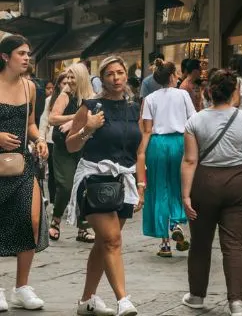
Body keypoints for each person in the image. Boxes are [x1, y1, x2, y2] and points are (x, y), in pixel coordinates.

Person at [65, 56, 143, 316]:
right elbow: (71, 145)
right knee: (112, 240)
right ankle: (124, 300)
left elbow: (139, 150)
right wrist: (88, 128)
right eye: (110, 73)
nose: (116, 78)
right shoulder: (91, 106)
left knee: (104, 242)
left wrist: (141, 184)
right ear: (102, 78)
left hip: (124, 180)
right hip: (95, 178)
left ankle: (87, 301)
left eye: (120, 72)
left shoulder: (134, 107)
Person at [180, 69, 242, 316]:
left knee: (201, 243)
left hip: (205, 183)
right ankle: (236, 303)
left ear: (209, 92)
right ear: (235, 91)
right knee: (235, 244)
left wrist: (185, 195)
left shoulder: (195, 121)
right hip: (238, 182)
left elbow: (190, 161)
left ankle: (196, 296)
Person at [0, 34, 48, 311]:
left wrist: (39, 139)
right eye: (21, 53)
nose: (27, 57)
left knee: (30, 220)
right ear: (5, 57)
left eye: (28, 53)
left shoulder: (30, 87)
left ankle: (22, 287)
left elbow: (30, 124)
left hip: (21, 164)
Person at [138, 59, 195, 258]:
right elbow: (192, 121)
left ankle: (164, 244)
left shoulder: (151, 98)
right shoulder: (183, 95)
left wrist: (141, 153)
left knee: (159, 188)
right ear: (172, 76)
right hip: (180, 142)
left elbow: (146, 128)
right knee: (178, 185)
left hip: (157, 144)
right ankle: (177, 222)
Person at [48, 63, 94, 244]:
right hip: (63, 148)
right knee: (66, 185)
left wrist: (79, 121)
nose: (67, 80)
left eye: (72, 76)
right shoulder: (65, 95)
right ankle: (56, 219)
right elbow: (53, 118)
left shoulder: (91, 97)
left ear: (81, 77)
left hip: (84, 146)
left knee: (85, 186)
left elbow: (96, 117)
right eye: (66, 76)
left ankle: (83, 228)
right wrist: (76, 117)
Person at [38, 78, 56, 203]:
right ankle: (54, 200)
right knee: (53, 173)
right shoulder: (48, 101)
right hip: (50, 140)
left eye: (52, 88)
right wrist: (41, 139)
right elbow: (43, 121)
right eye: (48, 88)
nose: (50, 90)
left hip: (69, 140)